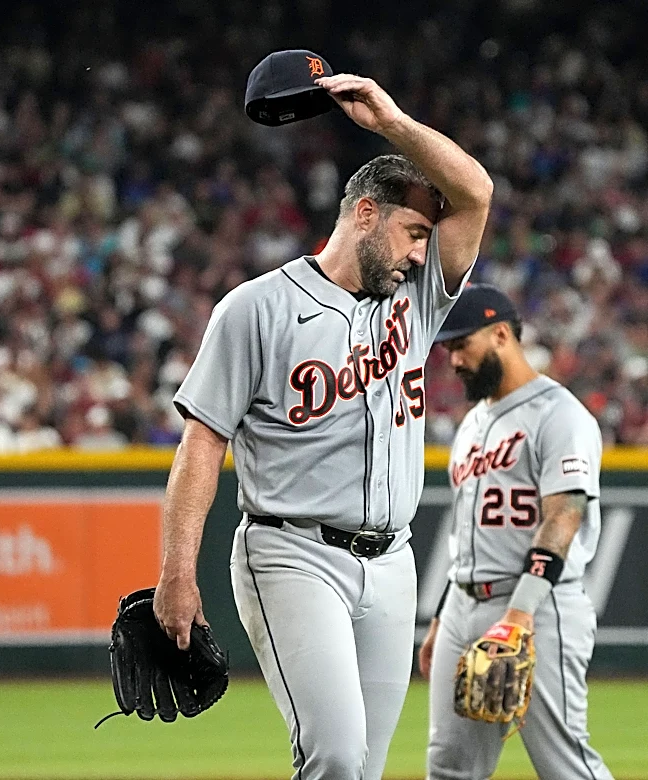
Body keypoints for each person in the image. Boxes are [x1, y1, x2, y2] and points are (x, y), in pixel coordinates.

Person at [155, 73, 493, 780]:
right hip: (294, 554)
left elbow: (476, 193)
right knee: (334, 755)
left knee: (364, 768)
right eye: (414, 233)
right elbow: (202, 444)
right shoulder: (256, 309)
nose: (422, 253)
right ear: (365, 213)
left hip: (393, 561)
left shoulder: (416, 299)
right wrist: (177, 572)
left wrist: (392, 122)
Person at [419, 283, 614, 780]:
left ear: (501, 334)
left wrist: (519, 613)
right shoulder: (471, 424)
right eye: (448, 348)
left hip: (537, 606)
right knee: (449, 767)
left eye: (462, 345)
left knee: (564, 765)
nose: (454, 360)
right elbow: (468, 533)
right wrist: (443, 615)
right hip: (464, 604)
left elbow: (564, 515)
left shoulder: (560, 414)